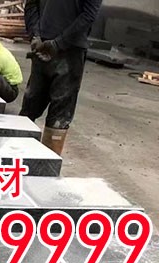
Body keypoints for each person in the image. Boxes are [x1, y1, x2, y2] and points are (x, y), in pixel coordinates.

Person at [20, 0, 103, 155]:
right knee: (55, 114)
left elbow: (31, 5)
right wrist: (48, 41)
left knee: (33, 107)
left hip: (53, 47)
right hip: (64, 50)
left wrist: (37, 36)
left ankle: (16, 157)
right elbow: (88, 15)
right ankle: (41, 162)